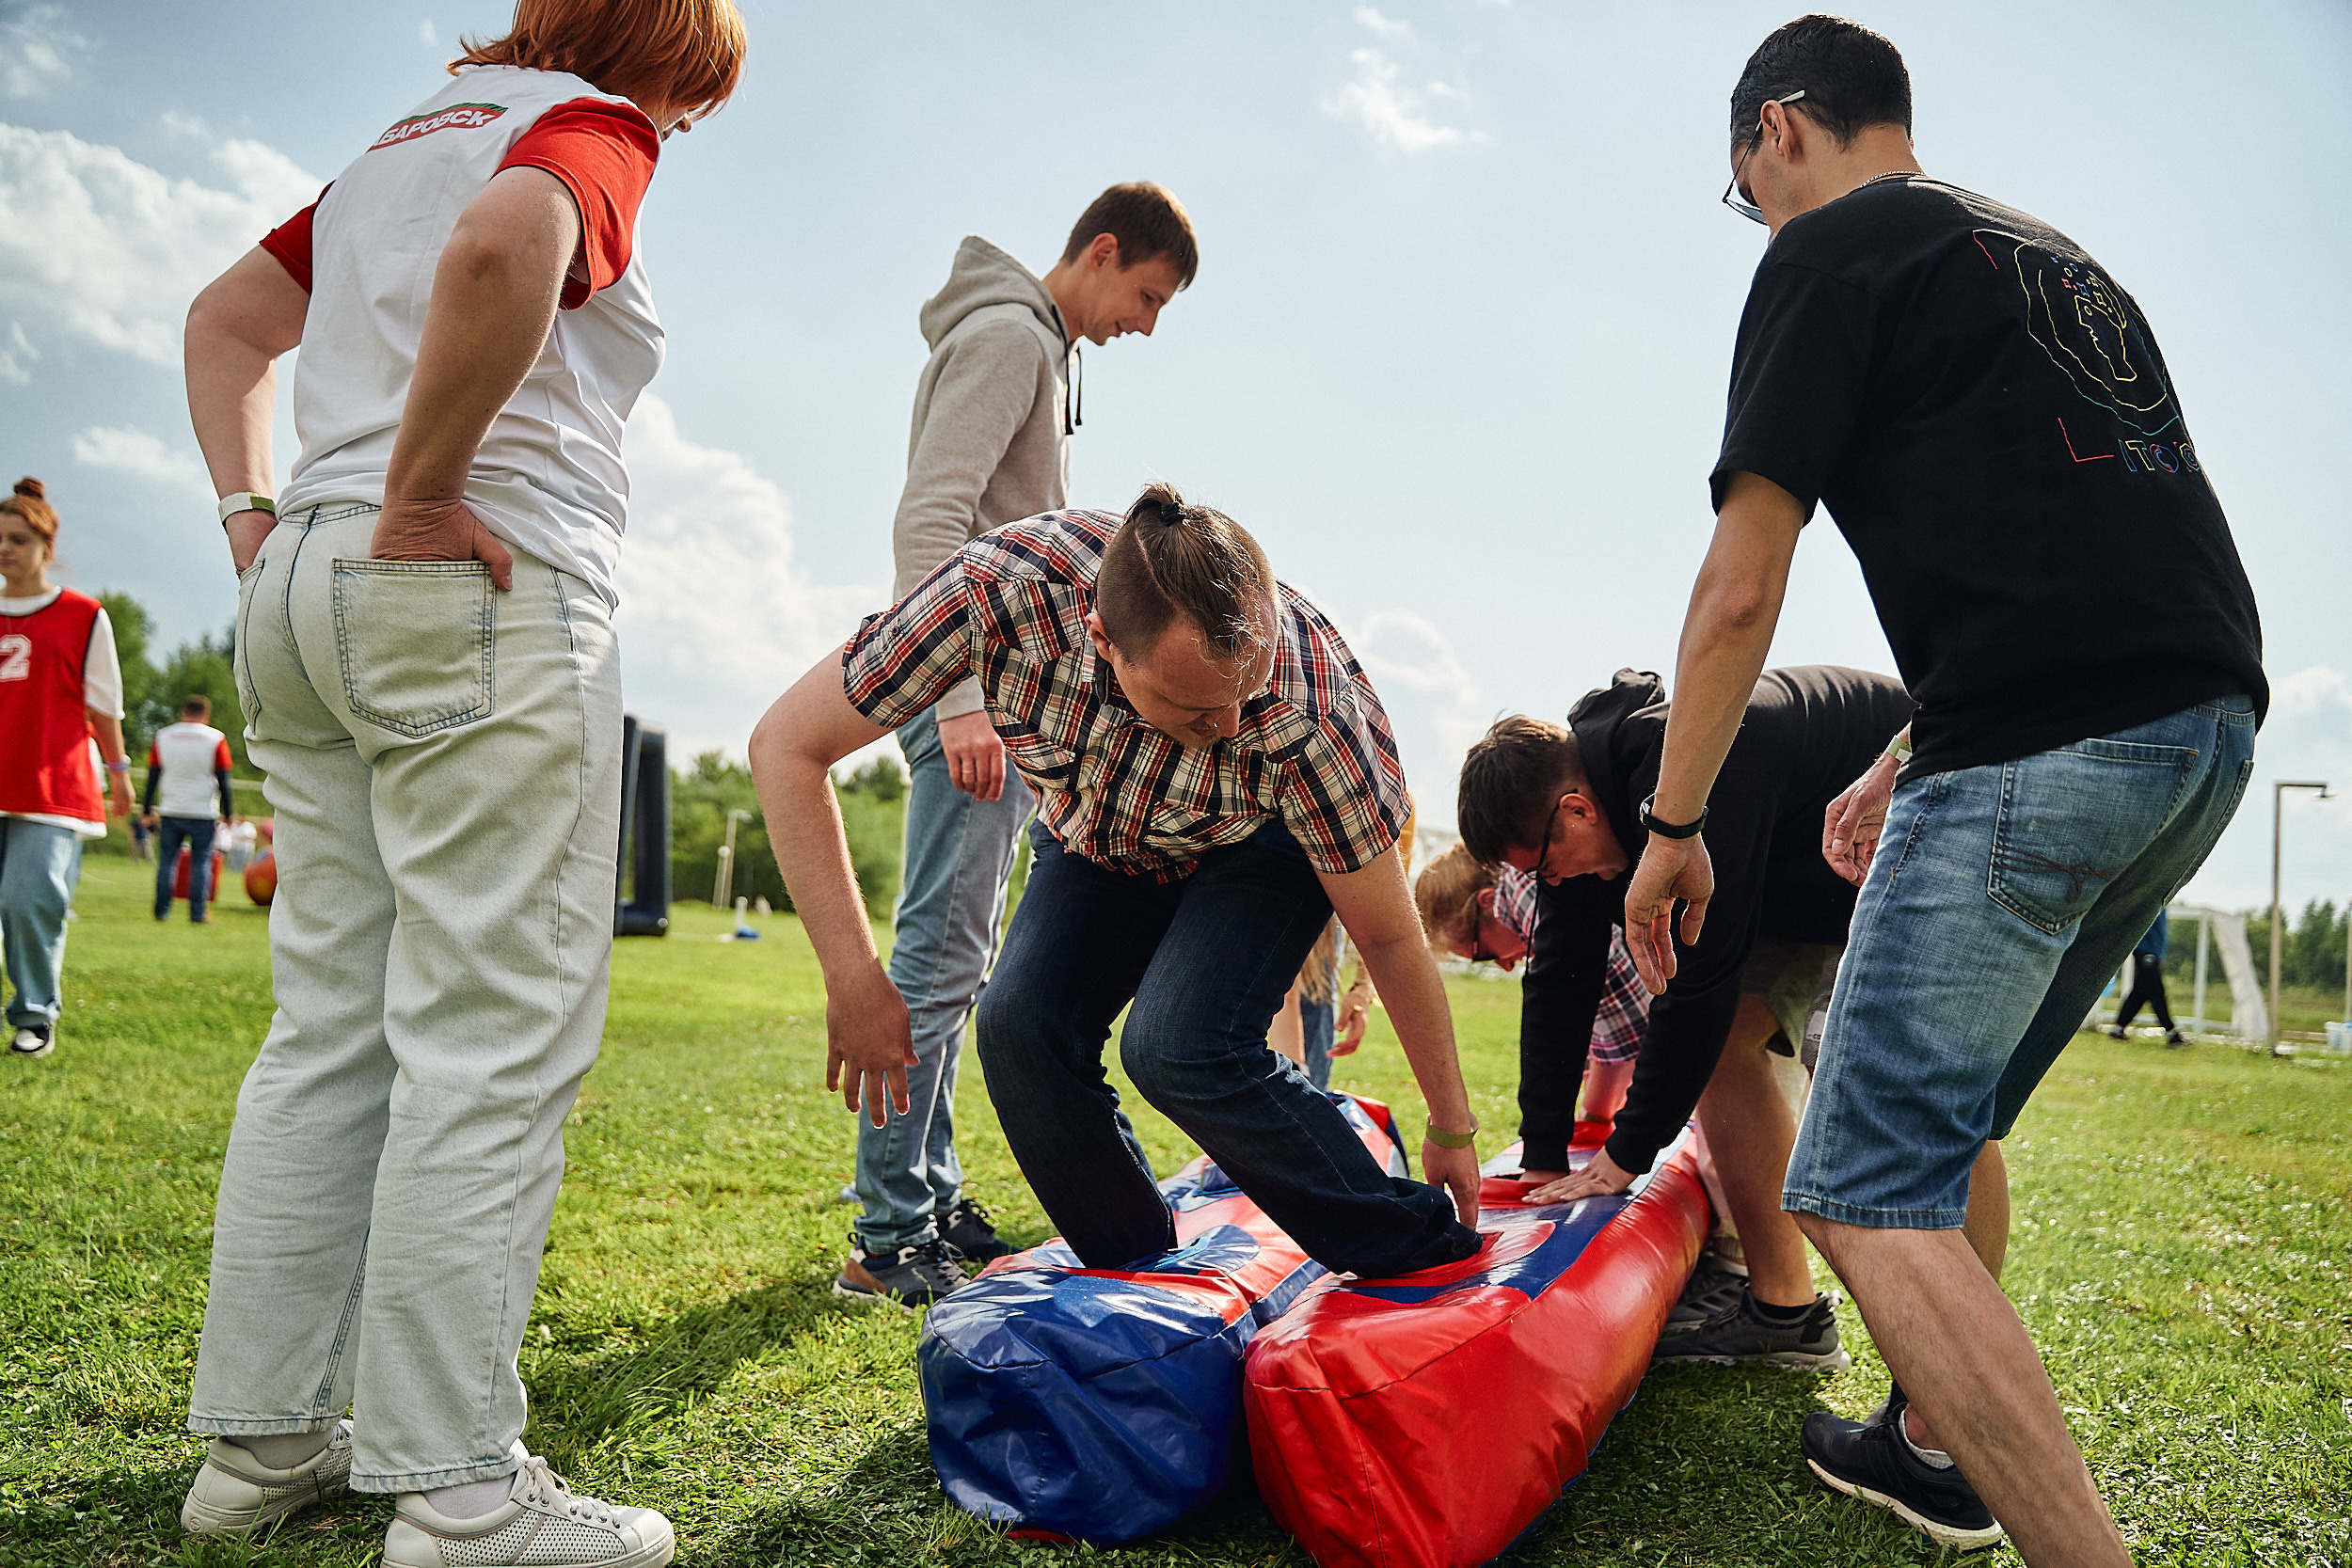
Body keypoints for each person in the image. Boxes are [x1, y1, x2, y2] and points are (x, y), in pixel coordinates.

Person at [1622, 17, 2263, 1560]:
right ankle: (1929, 1442)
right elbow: (2084, 556)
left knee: (1864, 1186)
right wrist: (1900, 752)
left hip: (2043, 750)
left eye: (1744, 189)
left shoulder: (1829, 252)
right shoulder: (2049, 258)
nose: (1756, 219)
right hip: (2199, 739)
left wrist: (1671, 827)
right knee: (1949, 1124)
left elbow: (1738, 587)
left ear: (1775, 129)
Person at [174, 5, 747, 1565]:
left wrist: (252, 512)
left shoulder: (383, 152)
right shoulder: (595, 129)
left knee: (332, 1019)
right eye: (690, 103)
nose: (680, 133)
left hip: (302, 582)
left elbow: (226, 317)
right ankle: (456, 1491)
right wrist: (424, 487)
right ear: (660, 63)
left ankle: (261, 1442)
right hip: (469, 580)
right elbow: (508, 249)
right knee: (490, 1030)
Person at [750, 485, 1485, 1287]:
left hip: (1256, 842)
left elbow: (1386, 933)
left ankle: (1415, 1255)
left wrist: (1451, 1122)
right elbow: (786, 745)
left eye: (1247, 688)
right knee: (1020, 1028)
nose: (1234, 723)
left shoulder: (1307, 708)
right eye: (1200, 706)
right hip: (1099, 835)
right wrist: (854, 974)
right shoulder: (995, 595)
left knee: (1178, 1044)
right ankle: (1145, 1278)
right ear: (1102, 639)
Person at [843, 182, 1200, 1307]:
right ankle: (888, 1234)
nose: (1144, 324)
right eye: (1145, 295)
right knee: (939, 963)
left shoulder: (1028, 346)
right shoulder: (1008, 338)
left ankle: (931, 1198)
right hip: (969, 695)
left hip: (997, 697)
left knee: (961, 963)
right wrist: (955, 697)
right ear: (1100, 251)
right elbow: (929, 518)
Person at [1456, 666, 1914, 1374]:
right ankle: (1785, 1313)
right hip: (1788, 870)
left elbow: (1698, 984)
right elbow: (1559, 978)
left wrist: (1625, 1155)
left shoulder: (1693, 776)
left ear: (1576, 810)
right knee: (1726, 1053)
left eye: (1545, 868)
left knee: (1880, 1080)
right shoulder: (1587, 827)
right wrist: (1541, 1149)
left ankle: (1931, 1362)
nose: (1551, 886)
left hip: (1900, 824)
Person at [0, 477, 135, 1059]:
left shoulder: (83, 616)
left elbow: (103, 707)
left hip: (51, 787)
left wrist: (121, 769)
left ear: (46, 548)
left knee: (28, 899)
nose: (5, 549)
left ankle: (35, 1015)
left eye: (18, 539)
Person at [1413, 844, 1643, 1126]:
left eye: (1484, 954)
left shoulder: (1530, 901)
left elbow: (1621, 1030)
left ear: (1486, 901)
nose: (1506, 965)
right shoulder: (1524, 888)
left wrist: (1592, 1120)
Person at [142, 695, 235, 924]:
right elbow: (224, 779)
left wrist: (146, 809)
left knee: (167, 861)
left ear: (184, 712)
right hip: (203, 810)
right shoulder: (215, 738)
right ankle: (197, 912)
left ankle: (161, 911)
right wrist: (228, 812)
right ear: (206, 715)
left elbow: (152, 775)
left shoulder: (163, 736)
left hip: (170, 808)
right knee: (201, 862)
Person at [2108, 913, 2183, 1046]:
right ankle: (2171, 1032)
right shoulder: (2153, 896)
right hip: (2146, 951)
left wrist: (2160, 954)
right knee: (2157, 992)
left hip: (2151, 951)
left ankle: (2118, 1029)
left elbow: (2161, 930)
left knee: (2139, 993)